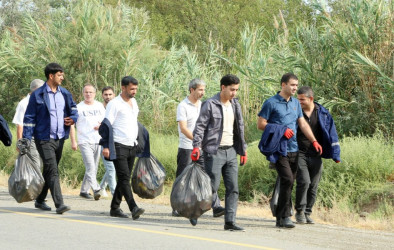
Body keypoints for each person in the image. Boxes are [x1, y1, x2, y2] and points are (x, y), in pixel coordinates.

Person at [257, 73, 322, 228]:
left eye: (296, 85)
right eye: (292, 85)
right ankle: (285, 216)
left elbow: (302, 124)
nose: (295, 88)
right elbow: (261, 124)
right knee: (287, 179)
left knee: (289, 183)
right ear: (283, 85)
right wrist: (280, 130)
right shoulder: (271, 103)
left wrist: (314, 141)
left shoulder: (295, 103)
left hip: (294, 148)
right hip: (278, 148)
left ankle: (280, 217)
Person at [192, 74, 247, 231]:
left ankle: (230, 221)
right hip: (214, 152)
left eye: (236, 90)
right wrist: (196, 146)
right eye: (232, 89)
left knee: (233, 188)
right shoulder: (210, 104)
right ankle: (194, 211)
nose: (234, 93)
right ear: (223, 87)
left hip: (231, 151)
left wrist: (243, 150)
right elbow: (200, 127)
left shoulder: (235, 105)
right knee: (212, 187)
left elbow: (240, 128)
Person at [23, 63, 78, 214]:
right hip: (43, 138)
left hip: (60, 138)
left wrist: (73, 118)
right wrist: (26, 139)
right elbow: (29, 117)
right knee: (53, 170)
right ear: (51, 76)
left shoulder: (65, 93)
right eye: (60, 75)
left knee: (49, 170)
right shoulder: (38, 95)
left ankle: (40, 200)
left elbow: (73, 109)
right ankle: (59, 204)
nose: (62, 77)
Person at [174, 79, 225, 221]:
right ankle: (177, 206)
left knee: (207, 177)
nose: (203, 93)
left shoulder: (204, 105)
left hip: (202, 149)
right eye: (200, 90)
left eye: (204, 90)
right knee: (183, 178)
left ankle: (216, 206)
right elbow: (184, 129)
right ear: (192, 89)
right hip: (187, 148)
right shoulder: (183, 106)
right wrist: (197, 141)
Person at [295, 86, 341, 224]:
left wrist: (336, 155)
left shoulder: (323, 114)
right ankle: (300, 212)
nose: (300, 102)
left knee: (313, 185)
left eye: (302, 100)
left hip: (316, 154)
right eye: (298, 100)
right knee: (304, 182)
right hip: (299, 153)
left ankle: (308, 212)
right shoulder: (295, 113)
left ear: (311, 99)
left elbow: (332, 134)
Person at [101, 76, 144, 220]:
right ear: (123, 88)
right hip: (118, 145)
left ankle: (114, 208)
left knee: (124, 178)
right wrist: (106, 146)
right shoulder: (114, 104)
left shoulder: (134, 102)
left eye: (136, 89)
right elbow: (106, 125)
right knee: (124, 177)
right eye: (132, 89)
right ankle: (134, 207)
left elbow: (134, 122)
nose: (134, 91)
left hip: (132, 145)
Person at [70, 84, 105, 200]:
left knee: (93, 166)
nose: (88, 94)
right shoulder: (78, 107)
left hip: (97, 140)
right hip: (84, 140)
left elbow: (105, 121)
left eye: (91, 92)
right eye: (86, 92)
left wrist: (101, 125)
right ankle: (96, 189)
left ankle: (84, 191)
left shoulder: (100, 106)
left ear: (95, 94)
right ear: (83, 93)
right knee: (90, 166)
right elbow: (71, 125)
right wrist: (73, 141)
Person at [12, 79, 44, 168]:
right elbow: (20, 125)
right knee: (36, 163)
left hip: (41, 137)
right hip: (29, 138)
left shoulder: (41, 102)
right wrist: (20, 143)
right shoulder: (24, 104)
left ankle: (31, 181)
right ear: (35, 90)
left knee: (40, 163)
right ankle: (36, 182)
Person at [99, 86, 117, 197]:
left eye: (110, 94)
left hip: (116, 141)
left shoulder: (115, 107)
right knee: (111, 168)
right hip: (104, 141)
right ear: (102, 95)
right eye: (106, 94)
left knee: (113, 167)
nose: (108, 97)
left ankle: (101, 187)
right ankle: (115, 193)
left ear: (114, 95)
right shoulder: (100, 108)